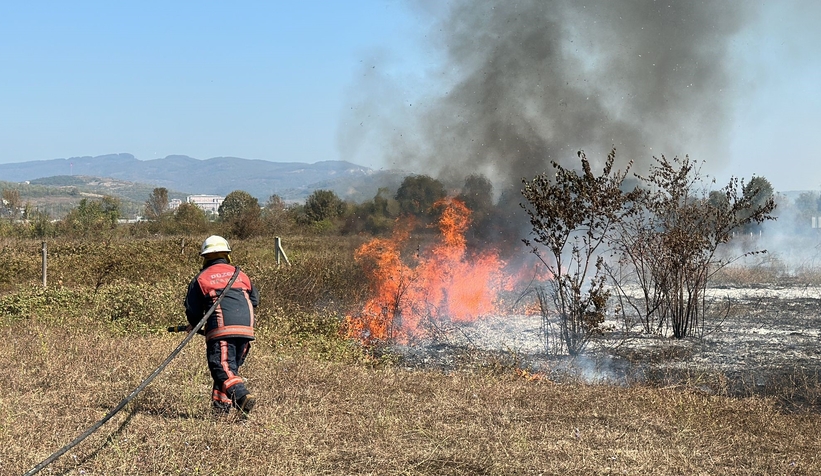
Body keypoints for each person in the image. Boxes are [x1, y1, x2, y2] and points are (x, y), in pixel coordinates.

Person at [185, 235, 259, 416]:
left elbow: (192, 310)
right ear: (227, 255)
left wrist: (194, 324)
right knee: (228, 370)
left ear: (204, 257)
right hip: (247, 329)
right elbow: (255, 300)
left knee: (219, 365)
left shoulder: (201, 279)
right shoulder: (240, 274)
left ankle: (241, 396)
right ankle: (220, 410)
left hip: (222, 328)